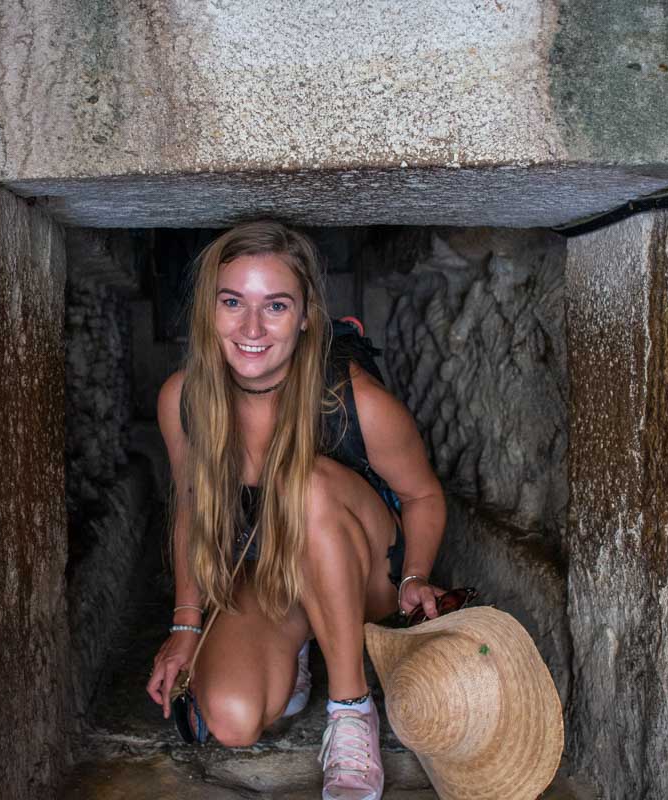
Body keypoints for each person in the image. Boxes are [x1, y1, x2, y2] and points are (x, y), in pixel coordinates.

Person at [145, 221, 447, 800]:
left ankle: (351, 709)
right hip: (271, 574)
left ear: (306, 314)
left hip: (367, 573)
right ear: (208, 308)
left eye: (275, 306)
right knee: (232, 721)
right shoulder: (183, 400)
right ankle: (300, 642)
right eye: (232, 302)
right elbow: (188, 504)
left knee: (300, 483)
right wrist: (186, 625)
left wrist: (416, 576)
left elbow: (424, 495)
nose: (251, 328)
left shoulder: (352, 397)